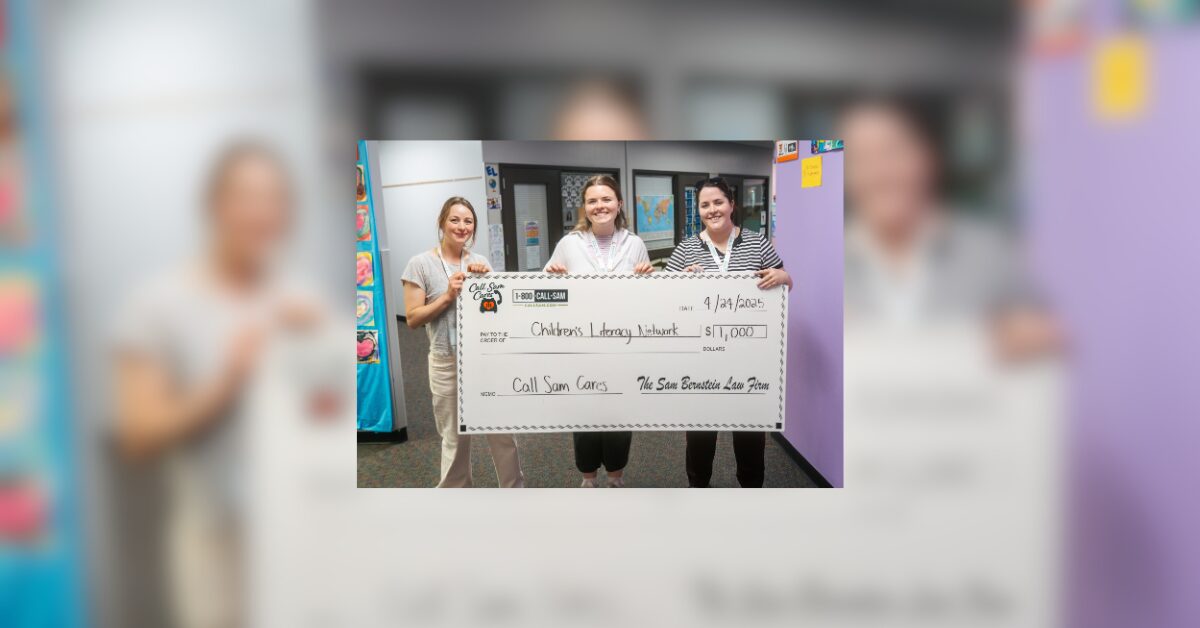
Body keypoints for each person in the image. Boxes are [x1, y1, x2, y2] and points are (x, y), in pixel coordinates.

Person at [113, 141, 321, 628]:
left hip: (299, 532)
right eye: (246, 197)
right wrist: (226, 382)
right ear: (214, 206)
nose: (261, 213)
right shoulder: (156, 303)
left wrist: (321, 354)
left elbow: (326, 422)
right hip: (214, 541)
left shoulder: (299, 297)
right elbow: (138, 435)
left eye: (274, 199)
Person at [664, 176, 791, 488]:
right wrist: (679, 281)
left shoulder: (758, 244)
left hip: (749, 363)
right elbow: (663, 299)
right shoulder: (686, 249)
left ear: (732, 204)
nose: (712, 210)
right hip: (700, 365)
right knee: (699, 444)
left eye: (718, 202)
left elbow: (784, 283)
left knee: (750, 445)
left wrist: (785, 276)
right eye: (704, 205)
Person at [402, 197, 524, 488]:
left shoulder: (479, 262)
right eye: (455, 220)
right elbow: (413, 318)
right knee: (455, 438)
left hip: (484, 361)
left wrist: (486, 284)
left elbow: (496, 312)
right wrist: (447, 296)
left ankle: (514, 490)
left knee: (503, 432)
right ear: (442, 223)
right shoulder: (419, 264)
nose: (461, 226)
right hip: (447, 362)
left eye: (468, 221)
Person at [544, 174, 653, 487]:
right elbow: (545, 293)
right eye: (592, 200)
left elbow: (649, 299)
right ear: (585, 207)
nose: (600, 206)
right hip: (582, 349)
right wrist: (552, 276)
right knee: (586, 417)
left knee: (619, 417)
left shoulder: (635, 244)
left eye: (606, 199)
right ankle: (589, 479)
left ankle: (616, 478)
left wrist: (648, 278)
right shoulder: (569, 244)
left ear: (619, 204)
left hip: (623, 349)